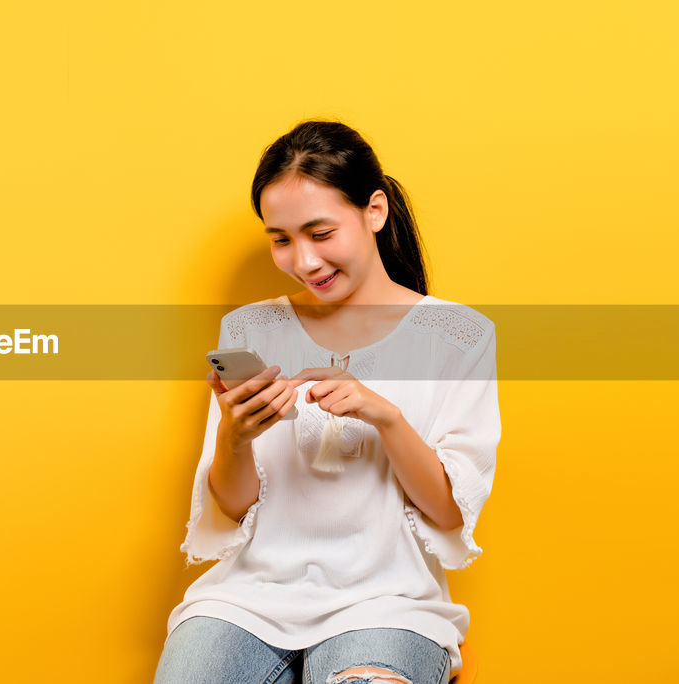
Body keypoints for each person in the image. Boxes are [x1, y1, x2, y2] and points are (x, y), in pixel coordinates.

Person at [154, 120, 501, 684]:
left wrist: (383, 414)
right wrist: (235, 436)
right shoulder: (249, 328)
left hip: (389, 604)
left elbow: (449, 512)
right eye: (281, 239)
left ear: (375, 212)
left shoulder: (458, 335)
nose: (303, 261)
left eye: (320, 233)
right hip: (246, 601)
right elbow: (236, 507)